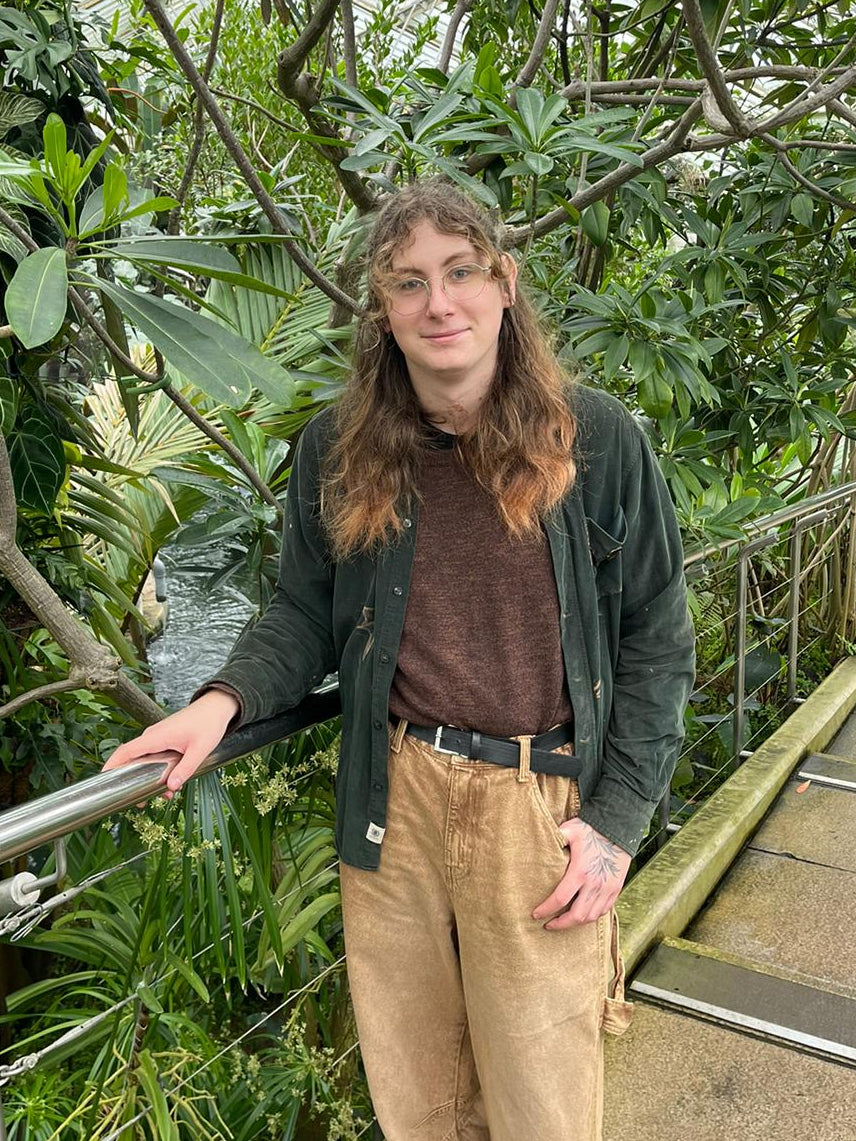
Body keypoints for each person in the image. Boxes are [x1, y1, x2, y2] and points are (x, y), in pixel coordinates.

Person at [105, 178, 695, 1141]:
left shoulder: (594, 440)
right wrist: (218, 704)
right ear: (382, 307)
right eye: (409, 281)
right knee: (418, 1102)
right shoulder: (340, 448)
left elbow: (658, 640)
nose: (439, 302)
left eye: (461, 272)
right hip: (396, 796)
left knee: (544, 1109)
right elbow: (303, 611)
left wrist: (618, 823)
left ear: (505, 283)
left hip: (537, 808)